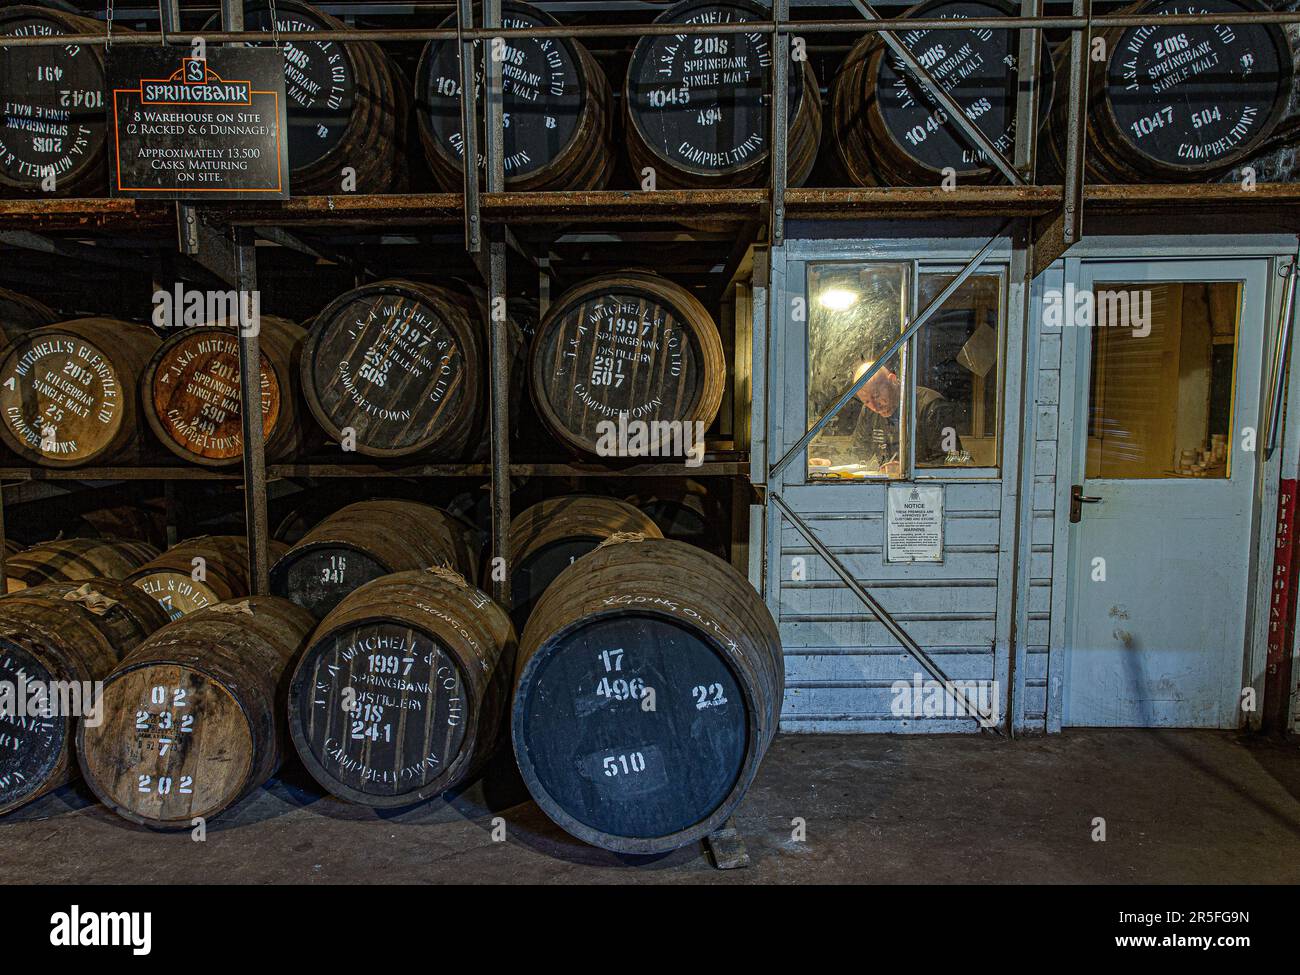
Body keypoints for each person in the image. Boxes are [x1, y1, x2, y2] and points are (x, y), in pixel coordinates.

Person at [810, 360, 962, 475]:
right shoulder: (869, 412)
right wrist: (829, 462)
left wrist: (908, 468)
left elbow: (952, 461)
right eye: (867, 401)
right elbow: (858, 452)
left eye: (877, 396)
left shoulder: (931, 406)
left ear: (893, 380)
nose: (875, 406)